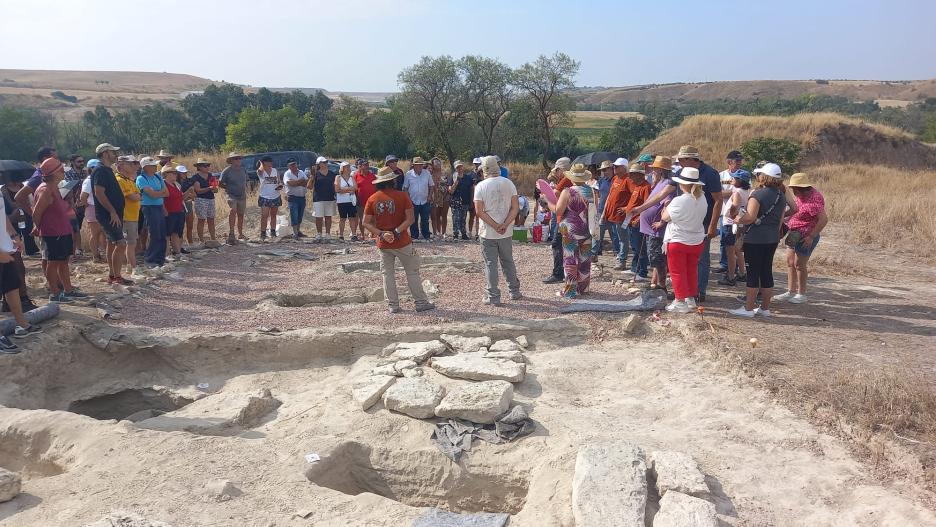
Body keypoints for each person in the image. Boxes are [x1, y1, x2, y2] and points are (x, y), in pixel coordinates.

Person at [633, 145, 723, 302]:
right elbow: (663, 193)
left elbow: (718, 200)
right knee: (686, 263)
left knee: (700, 260)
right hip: (681, 225)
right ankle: (686, 294)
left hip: (702, 223)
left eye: (681, 160)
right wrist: (641, 208)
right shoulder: (680, 173)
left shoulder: (710, 174)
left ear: (690, 159)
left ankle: (698, 293)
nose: (679, 162)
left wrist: (713, 225)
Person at [362, 166, 436, 314]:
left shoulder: (372, 199)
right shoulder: (402, 196)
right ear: (392, 180)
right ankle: (420, 302)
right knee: (412, 272)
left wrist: (381, 234)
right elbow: (410, 219)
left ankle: (393, 305)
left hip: (384, 243)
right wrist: (396, 231)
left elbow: (365, 222)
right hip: (402, 240)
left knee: (387, 274)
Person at [729, 163, 796, 318]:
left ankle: (748, 309)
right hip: (772, 238)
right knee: (766, 272)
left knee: (753, 273)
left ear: (763, 176)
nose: (757, 177)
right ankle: (765, 308)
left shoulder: (758, 195)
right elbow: (783, 216)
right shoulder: (780, 195)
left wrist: (738, 218)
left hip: (755, 238)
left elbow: (750, 217)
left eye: (758, 174)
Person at [31, 157, 86, 302]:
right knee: (53, 262)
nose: (63, 172)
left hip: (62, 230)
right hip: (53, 232)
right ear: (54, 173)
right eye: (61, 170)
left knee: (63, 262)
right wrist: (38, 228)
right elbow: (36, 213)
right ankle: (54, 293)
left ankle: (68, 290)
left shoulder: (54, 187)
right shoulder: (45, 190)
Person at [473, 156, 521, 305]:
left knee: (490, 263)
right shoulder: (509, 183)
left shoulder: (480, 186)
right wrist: (505, 224)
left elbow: (479, 212)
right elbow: (515, 208)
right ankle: (514, 291)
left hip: (488, 231)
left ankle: (493, 296)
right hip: (505, 231)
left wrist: (495, 225)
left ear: (484, 169)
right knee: (508, 261)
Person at [775, 173, 827, 304]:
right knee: (790, 262)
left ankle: (801, 293)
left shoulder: (814, 199)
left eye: (794, 188)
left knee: (799, 264)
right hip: (794, 233)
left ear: (800, 188)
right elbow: (795, 211)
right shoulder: (800, 196)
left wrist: (811, 236)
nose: (793, 191)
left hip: (806, 235)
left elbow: (823, 219)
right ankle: (790, 291)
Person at [661, 167, 708, 313]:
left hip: (678, 239)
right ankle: (690, 298)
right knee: (691, 270)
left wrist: (666, 207)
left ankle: (680, 300)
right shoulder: (702, 197)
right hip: (696, 240)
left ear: (682, 185)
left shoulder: (679, 200)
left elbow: (664, 217)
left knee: (677, 272)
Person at [549, 163, 597, 298]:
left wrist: (548, 202)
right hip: (586, 229)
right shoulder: (592, 191)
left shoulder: (567, 191)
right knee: (584, 259)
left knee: (570, 259)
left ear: (572, 178)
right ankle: (583, 288)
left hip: (570, 230)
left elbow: (558, 210)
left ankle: (570, 291)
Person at [0, 210, 41, 352]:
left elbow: (1, 215)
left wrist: (14, 236)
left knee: (12, 286)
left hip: (5, 248)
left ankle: (22, 324)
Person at [92, 144, 131, 285]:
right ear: (105, 153)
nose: (115, 154)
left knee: (111, 243)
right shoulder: (101, 171)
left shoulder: (107, 170)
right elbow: (99, 193)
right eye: (112, 152)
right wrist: (112, 211)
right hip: (108, 215)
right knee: (120, 243)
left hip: (113, 214)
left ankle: (112, 275)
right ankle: (117, 276)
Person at [0, 181, 38, 313]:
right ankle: (20, 301)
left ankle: (13, 304)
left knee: (16, 271)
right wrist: (13, 217)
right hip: (3, 243)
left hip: (8, 239)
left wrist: (14, 235)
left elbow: (3, 216)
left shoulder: (1, 193)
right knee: (16, 270)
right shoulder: (3, 191)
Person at [14, 146, 57, 257]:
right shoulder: (39, 177)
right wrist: (33, 213)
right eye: (54, 157)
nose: (57, 160)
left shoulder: (50, 174)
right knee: (49, 256)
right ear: (45, 158)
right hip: (46, 219)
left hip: (54, 217)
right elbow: (19, 196)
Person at [639, 156, 674, 293]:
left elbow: (668, 203)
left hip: (656, 229)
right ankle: (656, 283)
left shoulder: (667, 184)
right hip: (651, 228)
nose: (652, 170)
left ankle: (662, 286)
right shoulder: (660, 182)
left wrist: (662, 221)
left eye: (654, 168)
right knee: (655, 258)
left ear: (660, 170)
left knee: (657, 258)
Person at [717, 170, 752, 286]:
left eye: (734, 178)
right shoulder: (746, 190)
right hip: (739, 224)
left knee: (730, 251)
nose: (732, 179)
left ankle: (731, 276)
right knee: (737, 250)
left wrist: (731, 214)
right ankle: (742, 273)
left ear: (739, 180)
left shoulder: (736, 192)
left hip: (730, 224)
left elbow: (736, 205)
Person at [542, 157, 573, 284]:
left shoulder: (566, 180)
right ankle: (568, 272)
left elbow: (554, 195)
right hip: (571, 218)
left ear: (561, 169)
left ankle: (558, 274)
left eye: (557, 170)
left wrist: (545, 198)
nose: (556, 173)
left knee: (556, 244)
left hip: (564, 218)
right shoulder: (570, 180)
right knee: (568, 247)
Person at [601, 158, 633, 273]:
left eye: (617, 166)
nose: (614, 168)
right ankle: (619, 256)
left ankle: (622, 260)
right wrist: (605, 212)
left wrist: (626, 208)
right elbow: (610, 196)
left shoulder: (628, 180)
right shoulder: (615, 178)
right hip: (611, 214)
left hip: (621, 216)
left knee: (623, 238)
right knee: (617, 237)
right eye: (614, 166)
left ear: (624, 168)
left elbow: (634, 195)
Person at [137, 158, 169, 267]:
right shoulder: (141, 179)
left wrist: (156, 193)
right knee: (154, 233)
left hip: (159, 206)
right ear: (145, 167)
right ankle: (150, 259)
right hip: (149, 207)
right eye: (152, 165)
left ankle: (160, 258)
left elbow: (167, 193)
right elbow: (152, 195)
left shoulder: (157, 176)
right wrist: (159, 193)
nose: (155, 167)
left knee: (162, 233)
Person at [716, 151, 744, 273]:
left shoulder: (743, 175)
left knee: (736, 242)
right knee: (725, 239)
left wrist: (731, 193)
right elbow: (717, 193)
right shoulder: (721, 176)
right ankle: (724, 265)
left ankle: (735, 267)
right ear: (729, 162)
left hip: (739, 214)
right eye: (736, 161)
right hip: (724, 212)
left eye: (740, 161)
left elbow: (743, 192)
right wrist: (733, 192)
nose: (739, 164)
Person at [114, 156, 141, 275]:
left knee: (132, 243)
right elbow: (134, 197)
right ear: (121, 166)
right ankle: (133, 268)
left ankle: (130, 266)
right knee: (130, 243)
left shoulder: (129, 180)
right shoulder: (119, 180)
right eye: (128, 164)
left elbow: (138, 194)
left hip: (133, 216)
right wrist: (137, 196)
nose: (132, 166)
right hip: (126, 216)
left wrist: (137, 196)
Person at [78, 159, 105, 263]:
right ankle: (95, 255)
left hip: (100, 207)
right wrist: (86, 204)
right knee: (95, 233)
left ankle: (102, 254)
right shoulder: (89, 180)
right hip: (93, 208)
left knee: (103, 233)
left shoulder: (98, 179)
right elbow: (83, 196)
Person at [590, 160, 619, 257]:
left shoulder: (617, 180)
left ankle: (617, 252)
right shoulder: (601, 180)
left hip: (613, 211)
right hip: (601, 210)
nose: (604, 172)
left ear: (611, 169)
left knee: (615, 235)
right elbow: (597, 195)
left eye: (605, 169)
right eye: (602, 170)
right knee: (597, 233)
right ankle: (595, 253)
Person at [402, 157, 433, 242]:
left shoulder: (427, 173)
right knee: (413, 219)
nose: (420, 166)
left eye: (421, 165)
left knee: (425, 219)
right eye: (418, 165)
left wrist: (430, 196)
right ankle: (414, 236)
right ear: (414, 165)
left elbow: (431, 186)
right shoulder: (408, 174)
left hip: (425, 200)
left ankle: (426, 236)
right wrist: (408, 200)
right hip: (413, 200)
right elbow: (405, 188)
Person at [219, 152, 248, 243]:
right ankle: (231, 233)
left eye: (239, 158)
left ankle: (240, 233)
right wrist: (227, 188)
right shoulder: (227, 171)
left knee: (241, 214)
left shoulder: (243, 169)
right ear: (231, 160)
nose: (238, 160)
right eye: (236, 158)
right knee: (233, 210)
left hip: (242, 195)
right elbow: (220, 183)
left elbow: (246, 181)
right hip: (231, 195)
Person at [190, 158, 218, 243]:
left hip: (210, 199)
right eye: (205, 166)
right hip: (200, 200)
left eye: (208, 165)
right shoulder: (196, 177)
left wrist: (214, 189)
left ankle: (213, 239)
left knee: (211, 219)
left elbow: (215, 189)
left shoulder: (211, 176)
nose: (207, 167)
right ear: (199, 167)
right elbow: (198, 190)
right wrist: (209, 188)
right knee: (201, 220)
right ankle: (201, 240)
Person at [309, 156, 337, 241]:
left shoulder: (332, 174)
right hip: (318, 198)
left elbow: (335, 186)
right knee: (319, 217)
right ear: (319, 164)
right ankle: (319, 233)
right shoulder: (316, 174)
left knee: (328, 216)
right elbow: (309, 186)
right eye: (323, 162)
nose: (325, 163)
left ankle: (328, 234)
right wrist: (312, 177)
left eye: (326, 162)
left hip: (330, 198)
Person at [161, 165, 186, 259]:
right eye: (173, 173)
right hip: (169, 212)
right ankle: (167, 254)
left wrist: (189, 192)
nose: (176, 175)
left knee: (176, 232)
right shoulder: (163, 184)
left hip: (179, 211)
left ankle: (177, 252)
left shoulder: (177, 184)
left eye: (176, 173)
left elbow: (181, 197)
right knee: (167, 234)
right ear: (166, 174)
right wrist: (164, 210)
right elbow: (162, 198)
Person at [64, 154, 86, 258]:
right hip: (71, 205)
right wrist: (72, 204)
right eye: (79, 161)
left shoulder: (84, 173)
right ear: (72, 162)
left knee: (79, 226)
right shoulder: (68, 174)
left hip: (82, 204)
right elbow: (67, 191)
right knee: (74, 228)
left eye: (82, 161)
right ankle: (76, 250)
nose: (81, 163)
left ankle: (78, 249)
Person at [256, 156, 282, 240]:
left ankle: (273, 232)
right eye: (268, 161)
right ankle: (263, 233)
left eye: (271, 161)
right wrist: (261, 164)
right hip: (264, 196)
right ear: (264, 163)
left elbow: (279, 181)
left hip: (275, 195)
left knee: (273, 215)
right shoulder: (260, 171)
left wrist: (280, 185)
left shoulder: (275, 170)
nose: (270, 163)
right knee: (264, 215)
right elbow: (260, 171)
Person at [283, 159, 308, 238]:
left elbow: (306, 183)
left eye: (295, 164)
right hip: (293, 197)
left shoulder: (301, 172)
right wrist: (300, 181)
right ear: (289, 166)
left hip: (302, 197)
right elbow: (290, 183)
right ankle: (295, 233)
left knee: (300, 215)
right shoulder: (287, 174)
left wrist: (296, 182)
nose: (294, 166)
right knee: (294, 214)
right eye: (292, 165)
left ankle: (298, 230)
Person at [448, 160, 473, 240]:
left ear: (463, 167)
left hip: (465, 201)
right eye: (457, 167)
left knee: (463, 218)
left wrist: (471, 201)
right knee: (455, 218)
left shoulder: (468, 177)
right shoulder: (452, 177)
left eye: (460, 166)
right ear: (455, 169)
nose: (459, 169)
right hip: (455, 201)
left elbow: (471, 189)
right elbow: (451, 191)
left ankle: (463, 234)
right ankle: (455, 234)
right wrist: (456, 182)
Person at [335, 161, 359, 241]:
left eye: (348, 167)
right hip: (342, 201)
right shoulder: (338, 178)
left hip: (351, 200)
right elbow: (337, 189)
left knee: (352, 217)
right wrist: (349, 190)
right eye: (346, 167)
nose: (348, 168)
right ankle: (341, 235)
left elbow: (355, 187)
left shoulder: (352, 178)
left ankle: (354, 234)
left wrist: (344, 190)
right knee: (342, 218)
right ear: (342, 168)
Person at [429, 158, 451, 239]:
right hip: (434, 196)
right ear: (432, 165)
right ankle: (437, 232)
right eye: (435, 163)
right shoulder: (430, 173)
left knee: (444, 215)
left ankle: (444, 232)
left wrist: (448, 194)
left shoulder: (445, 173)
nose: (437, 164)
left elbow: (449, 184)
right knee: (435, 215)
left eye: (439, 162)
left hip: (445, 196)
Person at [353, 159, 376, 240]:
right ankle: (362, 235)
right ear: (361, 166)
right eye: (365, 165)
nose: (367, 166)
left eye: (367, 165)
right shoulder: (356, 175)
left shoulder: (372, 175)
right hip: (360, 201)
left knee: (373, 219)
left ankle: (373, 233)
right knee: (362, 219)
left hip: (372, 201)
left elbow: (376, 187)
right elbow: (354, 188)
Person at [468, 157, 482, 238]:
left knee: (478, 216)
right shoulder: (470, 175)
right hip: (472, 198)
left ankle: (477, 233)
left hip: (480, 199)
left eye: (478, 164)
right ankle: (470, 232)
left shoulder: (482, 175)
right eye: (476, 164)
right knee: (471, 216)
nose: (477, 165)